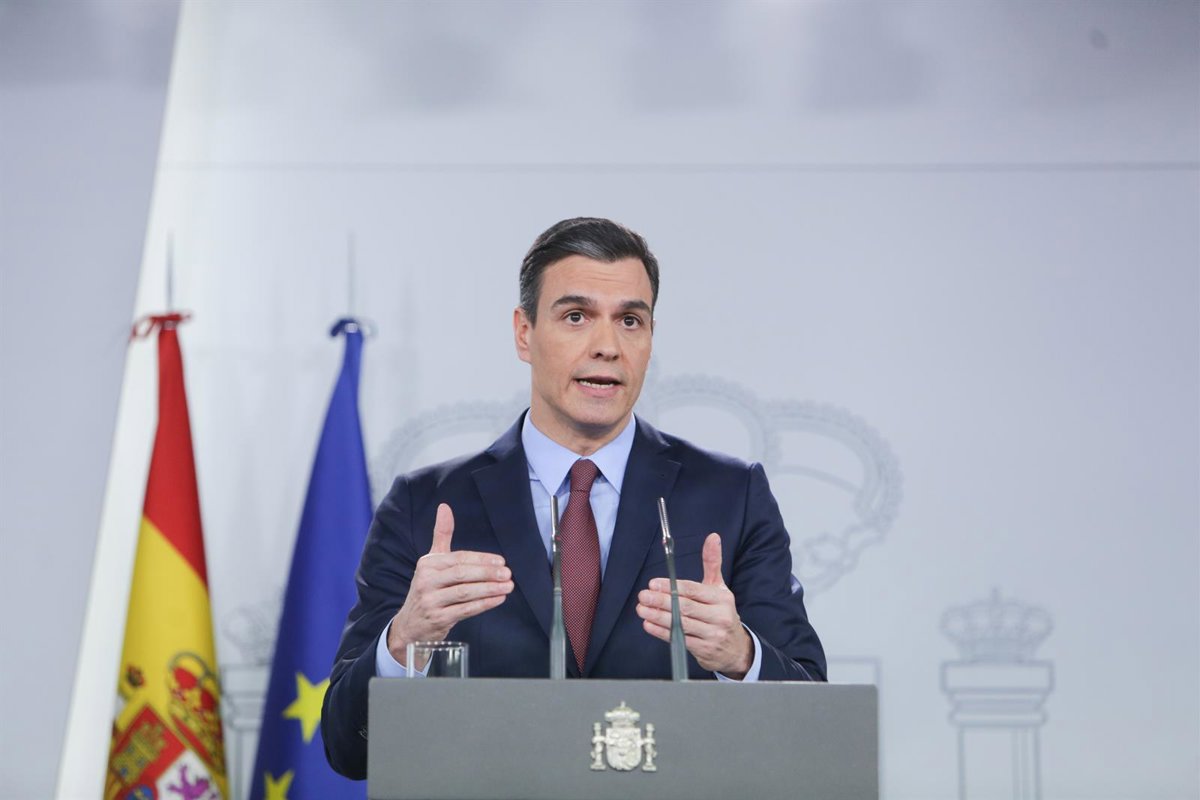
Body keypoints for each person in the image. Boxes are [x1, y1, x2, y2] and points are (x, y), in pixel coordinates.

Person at [321, 217, 826, 779]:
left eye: (630, 320)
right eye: (576, 316)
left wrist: (741, 656)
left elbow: (816, 728)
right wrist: (403, 642)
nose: (607, 347)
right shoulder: (426, 505)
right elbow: (347, 748)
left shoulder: (731, 496)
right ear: (524, 333)